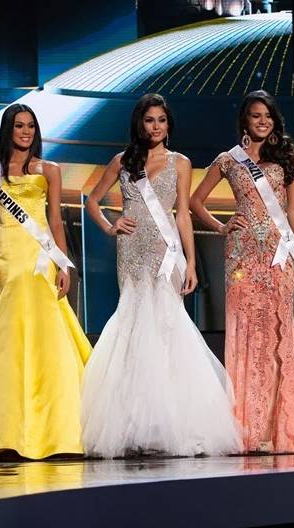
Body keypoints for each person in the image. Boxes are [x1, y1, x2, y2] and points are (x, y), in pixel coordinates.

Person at [81, 93, 241, 458]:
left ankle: (172, 423)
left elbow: (183, 213)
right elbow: (92, 201)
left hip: (165, 253)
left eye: (161, 120)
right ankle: (134, 424)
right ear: (139, 124)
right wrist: (110, 225)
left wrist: (192, 262)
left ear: (169, 125)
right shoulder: (122, 161)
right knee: (135, 325)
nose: (155, 126)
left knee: (167, 326)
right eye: (149, 120)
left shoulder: (181, 162)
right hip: (131, 252)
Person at [0, 104, 91, 460]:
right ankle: (0, 428)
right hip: (9, 258)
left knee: (46, 331)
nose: (25, 132)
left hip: (40, 258)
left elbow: (55, 221)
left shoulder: (50, 170)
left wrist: (63, 265)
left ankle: (56, 428)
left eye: (30, 126)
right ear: (8, 130)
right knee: (7, 335)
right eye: (19, 126)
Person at [190, 90, 294, 453]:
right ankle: (249, 430)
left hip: (277, 254)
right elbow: (195, 201)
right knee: (245, 336)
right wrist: (222, 226)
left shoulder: (287, 157)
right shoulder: (229, 160)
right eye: (256, 115)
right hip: (242, 256)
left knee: (277, 335)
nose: (262, 121)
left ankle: (280, 429)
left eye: (268, 116)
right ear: (245, 120)